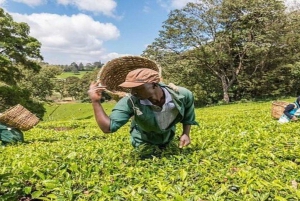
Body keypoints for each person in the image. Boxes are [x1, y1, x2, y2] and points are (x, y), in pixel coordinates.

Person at [88, 67, 199, 152]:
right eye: (131, 89)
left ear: (154, 85)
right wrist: (95, 101)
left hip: (168, 136)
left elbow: (188, 116)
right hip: (142, 141)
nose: (133, 92)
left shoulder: (182, 94)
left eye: (138, 88)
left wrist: (186, 133)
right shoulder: (130, 101)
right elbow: (108, 128)